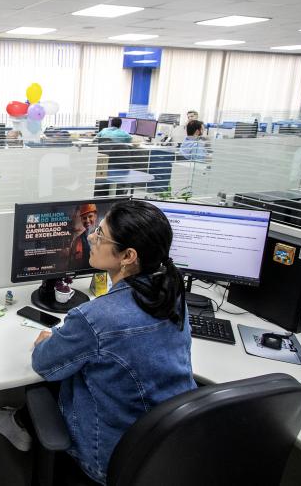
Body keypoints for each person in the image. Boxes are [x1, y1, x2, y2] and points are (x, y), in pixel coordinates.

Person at [32, 200, 196, 484]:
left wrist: (48, 341)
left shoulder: (94, 318)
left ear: (128, 256)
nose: (91, 238)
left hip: (107, 460)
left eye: (101, 235)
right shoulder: (173, 296)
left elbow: (44, 363)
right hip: (168, 453)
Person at [69, 203, 97, 270]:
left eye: (90, 216)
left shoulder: (104, 235)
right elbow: (72, 265)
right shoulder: (77, 241)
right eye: (84, 218)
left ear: (95, 216)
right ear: (81, 219)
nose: (87, 221)